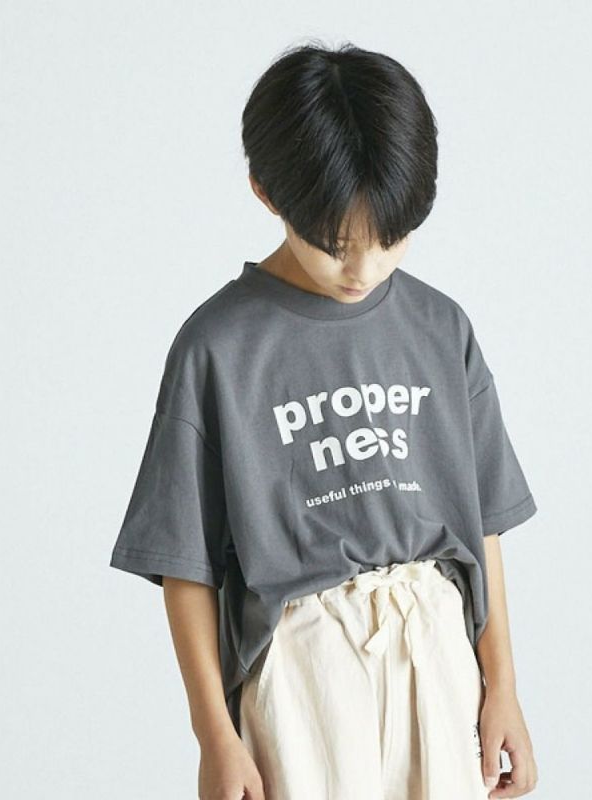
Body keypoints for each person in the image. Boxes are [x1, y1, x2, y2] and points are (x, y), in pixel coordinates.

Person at [110, 40, 540, 800]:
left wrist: (502, 684)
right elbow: (184, 566)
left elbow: (484, 529)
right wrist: (215, 736)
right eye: (337, 245)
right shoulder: (218, 348)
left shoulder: (441, 329)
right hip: (303, 665)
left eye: (391, 240)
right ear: (266, 193)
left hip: (437, 648)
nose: (364, 270)